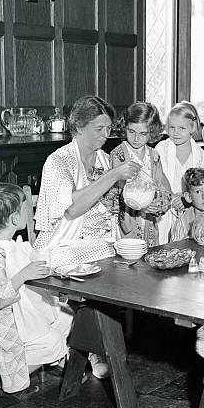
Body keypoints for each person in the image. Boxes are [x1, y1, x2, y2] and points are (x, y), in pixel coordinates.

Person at [35, 95, 140, 379]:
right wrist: (112, 176)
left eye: (108, 129)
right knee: (73, 263)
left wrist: (140, 200)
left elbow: (113, 204)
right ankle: (87, 346)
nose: (106, 135)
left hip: (101, 237)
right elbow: (72, 208)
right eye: (98, 128)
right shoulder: (58, 161)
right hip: (65, 238)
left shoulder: (104, 159)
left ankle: (100, 342)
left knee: (130, 258)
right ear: (79, 127)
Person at [0, 183, 70, 399]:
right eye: (26, 209)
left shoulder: (12, 245)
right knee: (42, 341)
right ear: (15, 219)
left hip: (18, 307)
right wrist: (23, 275)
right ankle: (10, 385)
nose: (29, 214)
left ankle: (55, 358)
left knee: (65, 315)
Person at [110, 102, 172, 247]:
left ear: (152, 131)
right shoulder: (118, 154)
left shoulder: (154, 155)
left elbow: (161, 185)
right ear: (124, 127)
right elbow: (119, 192)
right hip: (127, 222)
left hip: (149, 222)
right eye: (131, 132)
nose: (136, 138)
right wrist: (142, 205)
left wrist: (160, 204)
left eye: (143, 133)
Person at [155, 101, 204, 243]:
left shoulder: (199, 153)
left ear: (192, 127)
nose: (175, 132)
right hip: (165, 207)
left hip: (190, 207)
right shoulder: (162, 149)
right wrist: (172, 198)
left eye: (181, 128)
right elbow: (157, 178)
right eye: (171, 127)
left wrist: (186, 199)